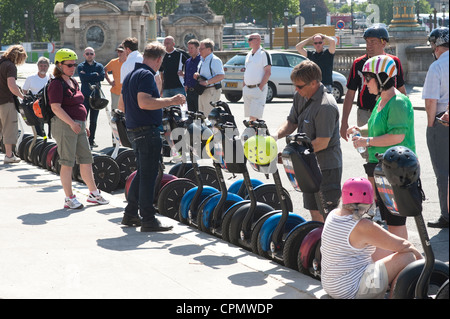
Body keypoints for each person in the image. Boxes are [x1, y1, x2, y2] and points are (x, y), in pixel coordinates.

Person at [118, 42, 186, 232]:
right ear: (158, 59)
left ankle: (131, 213)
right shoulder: (147, 75)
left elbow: (122, 104)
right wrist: (172, 100)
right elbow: (145, 102)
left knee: (143, 172)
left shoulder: (132, 74)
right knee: (149, 175)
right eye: (161, 61)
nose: (160, 65)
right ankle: (148, 218)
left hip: (135, 130)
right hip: (146, 131)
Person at [348, 55, 415, 240]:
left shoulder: (398, 102)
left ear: (382, 78)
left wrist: (367, 141)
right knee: (386, 217)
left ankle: (404, 257)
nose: (365, 83)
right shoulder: (381, 100)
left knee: (395, 220)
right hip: (381, 166)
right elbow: (374, 125)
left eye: (368, 78)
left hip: (397, 169)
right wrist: (359, 129)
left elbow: (397, 136)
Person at [321, 177, 422, 299]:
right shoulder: (362, 225)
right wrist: (424, 264)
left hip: (332, 284)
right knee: (408, 256)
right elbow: (404, 245)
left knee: (383, 250)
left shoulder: (333, 215)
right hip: (351, 290)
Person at [273, 60, 342, 222]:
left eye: (299, 86)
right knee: (313, 210)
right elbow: (292, 122)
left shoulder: (326, 106)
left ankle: (326, 246)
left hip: (326, 168)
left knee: (326, 215)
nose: (296, 90)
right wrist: (274, 136)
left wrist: (291, 156)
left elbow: (322, 142)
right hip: (307, 165)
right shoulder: (300, 96)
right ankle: (316, 244)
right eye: (295, 86)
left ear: (314, 83)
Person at [48, 48, 109, 209]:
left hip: (78, 125)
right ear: (59, 65)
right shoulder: (56, 83)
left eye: (74, 64)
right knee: (67, 162)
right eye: (69, 65)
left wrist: (84, 125)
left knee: (86, 159)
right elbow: (55, 108)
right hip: (65, 125)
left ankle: (94, 193)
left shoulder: (73, 81)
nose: (72, 67)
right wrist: (71, 123)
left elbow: (80, 104)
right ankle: (69, 197)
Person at [340, 25, 407, 143]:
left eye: (373, 42)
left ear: (383, 43)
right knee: (366, 150)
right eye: (367, 42)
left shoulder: (393, 62)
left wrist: (405, 113)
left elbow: (401, 88)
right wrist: (344, 121)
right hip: (365, 112)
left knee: (388, 145)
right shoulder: (358, 63)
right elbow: (350, 94)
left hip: (389, 110)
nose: (368, 45)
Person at [422, 27, 449, 228]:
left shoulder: (437, 66)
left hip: (442, 122)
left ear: (437, 46)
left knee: (443, 171)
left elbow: (431, 101)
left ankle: (446, 214)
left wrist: (431, 126)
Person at [0, 45, 26, 164]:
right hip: (6, 101)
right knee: (9, 128)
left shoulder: (1, 62)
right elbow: (12, 86)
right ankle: (9, 155)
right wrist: (22, 96)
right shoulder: (10, 66)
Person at [77, 47, 105, 149]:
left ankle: (91, 140)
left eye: (91, 53)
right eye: (87, 53)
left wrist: (89, 75)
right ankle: (82, 140)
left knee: (94, 120)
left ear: (94, 55)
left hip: (96, 97)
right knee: (83, 119)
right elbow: (82, 78)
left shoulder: (99, 66)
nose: (89, 55)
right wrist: (94, 75)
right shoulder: (81, 66)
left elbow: (102, 77)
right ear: (84, 55)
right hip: (84, 97)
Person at [243, 33, 272, 120]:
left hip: (258, 89)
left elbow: (268, 72)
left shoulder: (264, 54)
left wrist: (259, 88)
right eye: (248, 39)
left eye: (251, 39)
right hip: (247, 90)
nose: (248, 41)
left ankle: (252, 132)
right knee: (252, 118)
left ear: (258, 40)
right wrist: (244, 86)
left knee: (253, 118)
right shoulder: (248, 54)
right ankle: (260, 133)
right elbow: (246, 71)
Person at [193, 38, 225, 117]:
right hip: (202, 91)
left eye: (201, 49)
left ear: (209, 49)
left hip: (211, 90)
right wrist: (197, 75)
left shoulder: (215, 60)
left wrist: (207, 82)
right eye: (199, 48)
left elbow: (221, 75)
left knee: (210, 116)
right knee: (201, 116)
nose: (199, 50)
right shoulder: (202, 60)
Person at [23, 56, 51, 137]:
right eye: (41, 66)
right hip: (35, 105)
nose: (43, 68)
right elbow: (24, 91)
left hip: (47, 105)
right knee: (38, 126)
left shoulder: (50, 77)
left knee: (48, 125)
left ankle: (45, 139)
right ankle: (41, 140)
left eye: (45, 66)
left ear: (48, 67)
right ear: (38, 66)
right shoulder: (31, 78)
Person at [104, 45, 127, 111]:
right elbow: (104, 70)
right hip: (116, 91)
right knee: (115, 111)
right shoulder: (113, 62)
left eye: (121, 51)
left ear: (126, 52)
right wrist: (109, 81)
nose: (119, 53)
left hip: (127, 92)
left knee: (127, 112)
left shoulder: (129, 62)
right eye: (118, 51)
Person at [184, 39, 201, 112]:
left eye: (192, 48)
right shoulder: (188, 61)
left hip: (198, 91)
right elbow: (186, 75)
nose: (189, 50)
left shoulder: (202, 60)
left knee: (199, 114)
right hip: (189, 92)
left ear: (198, 48)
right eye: (188, 48)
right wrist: (185, 84)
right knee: (191, 114)